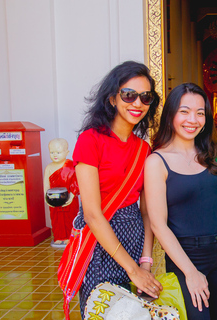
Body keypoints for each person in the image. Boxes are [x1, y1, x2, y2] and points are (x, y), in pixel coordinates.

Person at [72, 61, 163, 318]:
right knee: (101, 311)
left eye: (146, 97)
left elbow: (146, 212)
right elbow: (91, 213)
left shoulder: (143, 150)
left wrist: (144, 260)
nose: (137, 103)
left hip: (134, 241)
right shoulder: (90, 140)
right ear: (112, 98)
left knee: (133, 313)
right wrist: (133, 270)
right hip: (98, 245)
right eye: (129, 95)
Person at [145, 83, 217, 320]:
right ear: (171, 114)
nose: (192, 119)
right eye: (184, 111)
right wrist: (191, 272)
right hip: (186, 256)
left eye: (200, 112)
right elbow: (158, 225)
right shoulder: (156, 161)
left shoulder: (211, 154)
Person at [43, 138, 79, 247]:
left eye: (58, 152)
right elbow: (46, 184)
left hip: (68, 197)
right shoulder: (49, 167)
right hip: (53, 198)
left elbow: (77, 182)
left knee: (69, 217)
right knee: (56, 219)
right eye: (52, 152)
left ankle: (70, 237)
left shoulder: (71, 165)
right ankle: (59, 237)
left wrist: (72, 196)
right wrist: (46, 198)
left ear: (67, 152)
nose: (55, 155)